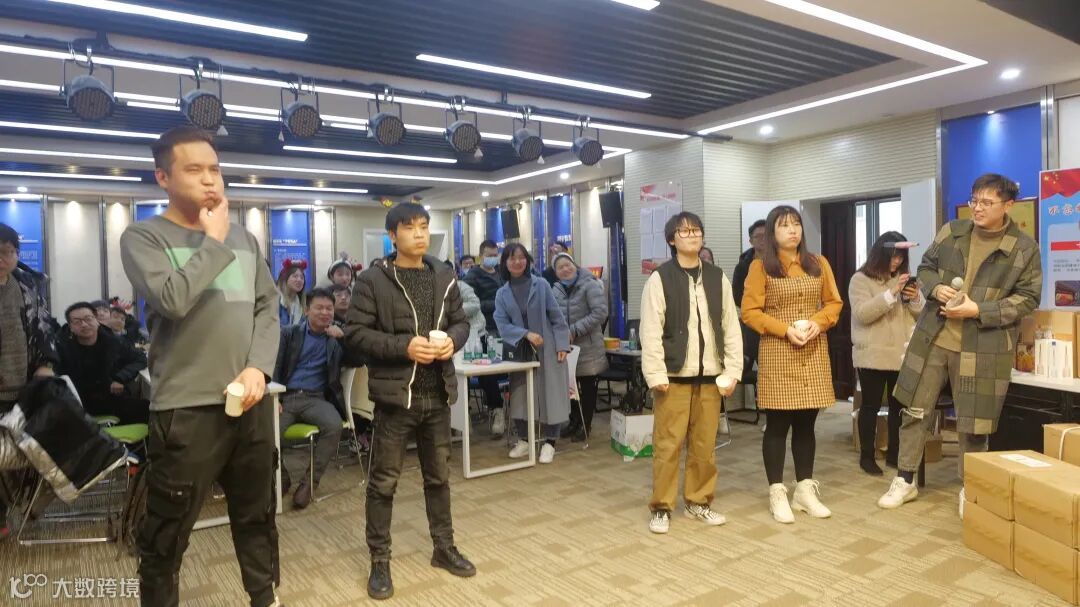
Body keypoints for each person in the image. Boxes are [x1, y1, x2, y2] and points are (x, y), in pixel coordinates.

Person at [119, 125, 281, 607]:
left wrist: (258, 368)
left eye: (215, 169)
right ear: (163, 178)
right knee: (166, 535)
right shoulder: (144, 237)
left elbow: (267, 307)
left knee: (257, 516)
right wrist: (212, 240)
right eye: (195, 170)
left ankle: (264, 598)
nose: (210, 180)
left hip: (249, 403)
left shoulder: (244, 238)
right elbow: (172, 299)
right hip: (187, 412)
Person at [878, 174, 1042, 517]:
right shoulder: (952, 231)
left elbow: (1028, 299)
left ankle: (972, 487)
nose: (977, 208)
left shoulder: (1024, 248)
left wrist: (978, 310)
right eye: (974, 200)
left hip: (983, 345)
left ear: (1008, 205)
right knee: (915, 410)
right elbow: (925, 268)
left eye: (987, 202)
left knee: (974, 423)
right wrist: (935, 288)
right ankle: (905, 478)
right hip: (934, 338)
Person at [345, 202, 474, 600]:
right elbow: (355, 334)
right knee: (384, 483)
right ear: (392, 235)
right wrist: (404, 346)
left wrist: (454, 341)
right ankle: (379, 560)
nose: (419, 234)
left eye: (423, 226)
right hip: (395, 399)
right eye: (409, 227)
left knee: (439, 479)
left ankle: (443, 547)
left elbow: (461, 321)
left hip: (438, 394)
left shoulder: (444, 275)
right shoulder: (372, 280)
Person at [640, 212, 742, 534]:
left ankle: (699, 501)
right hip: (673, 377)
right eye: (684, 232)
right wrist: (655, 373)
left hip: (711, 376)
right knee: (668, 445)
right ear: (671, 240)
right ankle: (661, 507)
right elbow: (651, 330)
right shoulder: (660, 278)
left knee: (704, 445)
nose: (692, 235)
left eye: (696, 230)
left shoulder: (717, 277)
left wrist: (733, 369)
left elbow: (730, 325)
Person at [741, 205, 842, 524]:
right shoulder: (760, 267)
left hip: (812, 349)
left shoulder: (818, 263)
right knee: (777, 425)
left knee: (806, 424)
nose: (793, 230)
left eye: (796, 223)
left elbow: (834, 303)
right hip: (778, 350)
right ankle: (776, 491)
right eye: (784, 225)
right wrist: (784, 329)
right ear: (772, 233)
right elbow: (750, 312)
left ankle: (804, 490)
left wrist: (818, 323)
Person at [849, 232, 924, 475]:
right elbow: (863, 314)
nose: (897, 261)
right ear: (880, 255)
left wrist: (915, 299)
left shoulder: (903, 279)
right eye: (893, 256)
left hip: (901, 355)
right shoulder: (860, 279)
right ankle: (866, 456)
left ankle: (895, 454)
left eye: (901, 256)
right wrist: (892, 293)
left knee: (898, 407)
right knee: (870, 406)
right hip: (872, 355)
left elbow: (920, 315)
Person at [494, 244, 571, 464]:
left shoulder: (541, 284)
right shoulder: (502, 293)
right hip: (520, 351)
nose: (517, 262)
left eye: (521, 257)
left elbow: (557, 318)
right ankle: (524, 440)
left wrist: (562, 346)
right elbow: (502, 324)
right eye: (512, 258)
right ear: (505, 263)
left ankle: (550, 442)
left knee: (551, 396)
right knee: (520, 396)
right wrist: (525, 334)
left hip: (548, 349)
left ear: (527, 260)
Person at [273, 288, 345, 510]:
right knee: (268, 431)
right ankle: (282, 477)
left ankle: (309, 482)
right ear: (307, 310)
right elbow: (276, 366)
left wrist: (344, 337)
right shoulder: (289, 333)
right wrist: (275, 399)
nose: (325, 312)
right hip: (287, 397)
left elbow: (359, 358)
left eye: (329, 308)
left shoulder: (335, 338)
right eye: (319, 308)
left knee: (334, 426)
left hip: (316, 399)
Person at [56, 302, 149, 425]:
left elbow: (141, 358)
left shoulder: (113, 341)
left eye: (88, 319)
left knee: (149, 408)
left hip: (111, 398)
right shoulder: (62, 348)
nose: (84, 324)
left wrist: (120, 378)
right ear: (70, 327)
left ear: (97, 320)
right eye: (77, 321)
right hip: (80, 405)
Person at [551, 252, 608, 442]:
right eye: (560, 267)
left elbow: (600, 312)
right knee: (569, 387)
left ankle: (586, 425)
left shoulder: (590, 284)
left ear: (575, 265)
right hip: (566, 348)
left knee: (587, 387)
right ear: (556, 273)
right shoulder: (556, 290)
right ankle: (574, 421)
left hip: (588, 347)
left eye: (568, 265)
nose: (565, 269)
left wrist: (574, 330)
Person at [463, 239, 506, 433]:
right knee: (486, 372)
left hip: (502, 329)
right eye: (489, 255)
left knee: (499, 370)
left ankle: (499, 408)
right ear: (481, 256)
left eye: (495, 255)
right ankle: (496, 409)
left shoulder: (502, 274)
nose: (493, 258)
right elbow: (471, 304)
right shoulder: (472, 276)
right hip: (483, 331)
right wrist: (496, 304)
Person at [732, 220, 768, 390]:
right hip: (753, 324)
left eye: (766, 235)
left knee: (774, 370)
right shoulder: (743, 266)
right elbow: (737, 295)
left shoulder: (781, 262)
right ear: (751, 241)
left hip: (777, 320)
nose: (762, 239)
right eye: (758, 236)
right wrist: (755, 305)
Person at [277, 260, 307, 326]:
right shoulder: (276, 300)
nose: (299, 280)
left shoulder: (302, 304)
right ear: (285, 279)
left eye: (302, 277)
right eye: (295, 276)